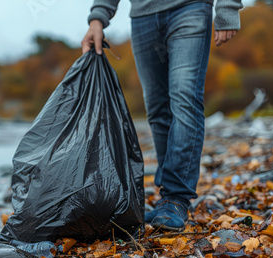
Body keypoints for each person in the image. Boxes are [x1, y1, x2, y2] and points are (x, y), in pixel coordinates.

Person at [82, 0, 243, 231]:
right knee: (158, 108)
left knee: (184, 97)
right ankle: (166, 199)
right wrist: (98, 18)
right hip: (143, 17)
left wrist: (227, 7)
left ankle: (176, 199)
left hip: (190, 8)